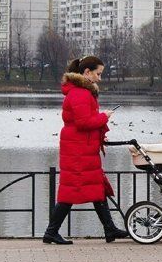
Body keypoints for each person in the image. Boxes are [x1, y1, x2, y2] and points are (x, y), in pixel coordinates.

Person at [43, 55, 128, 245]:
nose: (100, 78)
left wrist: (100, 118)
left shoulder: (79, 92)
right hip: (78, 150)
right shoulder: (80, 93)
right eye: (98, 74)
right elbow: (83, 123)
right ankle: (51, 232)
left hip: (80, 148)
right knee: (71, 193)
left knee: (96, 188)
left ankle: (110, 229)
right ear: (87, 72)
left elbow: (83, 121)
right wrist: (104, 117)